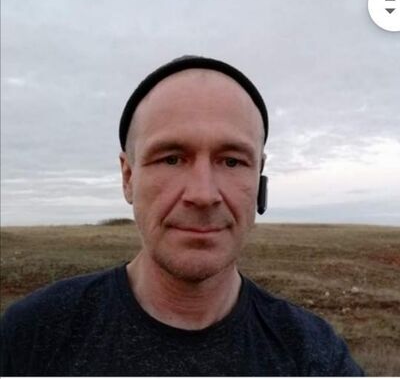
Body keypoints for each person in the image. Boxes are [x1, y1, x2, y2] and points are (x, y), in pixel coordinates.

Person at [0, 56, 364, 376]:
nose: (203, 195)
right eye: (172, 159)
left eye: (232, 161)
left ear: (259, 178)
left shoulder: (313, 355)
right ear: (128, 178)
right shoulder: (32, 335)